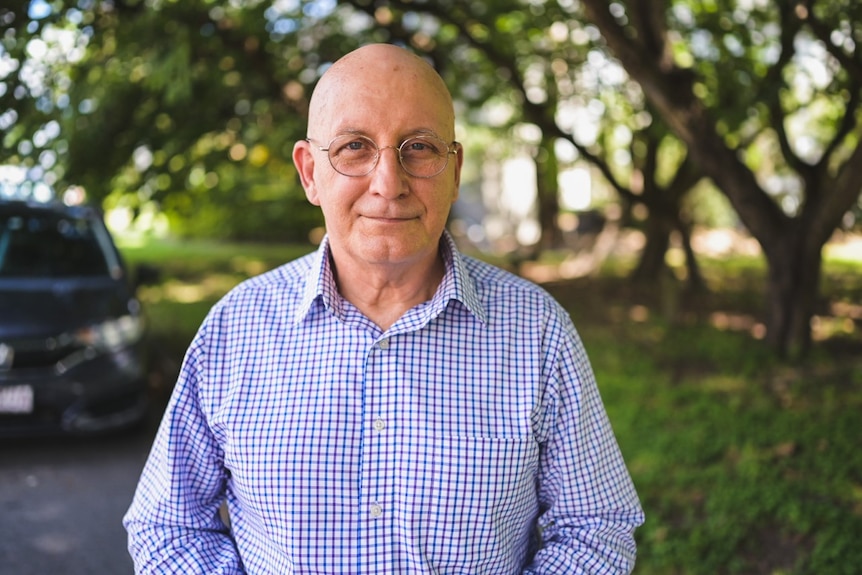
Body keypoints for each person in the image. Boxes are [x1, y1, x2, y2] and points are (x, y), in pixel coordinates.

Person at [124, 43, 644, 574]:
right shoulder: (235, 329)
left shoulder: (536, 331)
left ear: (454, 168)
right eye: (354, 147)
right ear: (309, 172)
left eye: (418, 147)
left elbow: (595, 527)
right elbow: (169, 526)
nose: (389, 185)